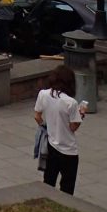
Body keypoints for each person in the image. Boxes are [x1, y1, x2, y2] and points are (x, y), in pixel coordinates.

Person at [35, 64, 85, 195]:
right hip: (69, 151)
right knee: (67, 187)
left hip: (51, 146)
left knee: (49, 181)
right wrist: (81, 116)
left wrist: (45, 127)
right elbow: (73, 127)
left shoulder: (43, 94)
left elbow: (37, 116)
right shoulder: (71, 102)